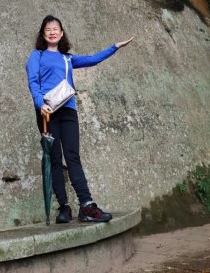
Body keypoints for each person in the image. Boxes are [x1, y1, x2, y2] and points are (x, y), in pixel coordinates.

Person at [26, 15, 133, 224]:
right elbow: (32, 81)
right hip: (47, 112)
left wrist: (115, 47)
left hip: (67, 111)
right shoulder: (36, 55)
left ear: (62, 33)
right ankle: (64, 207)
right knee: (55, 159)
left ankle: (86, 205)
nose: (52, 31)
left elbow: (93, 59)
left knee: (72, 156)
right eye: (48, 29)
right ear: (43, 34)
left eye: (56, 28)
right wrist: (40, 104)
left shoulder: (68, 58)